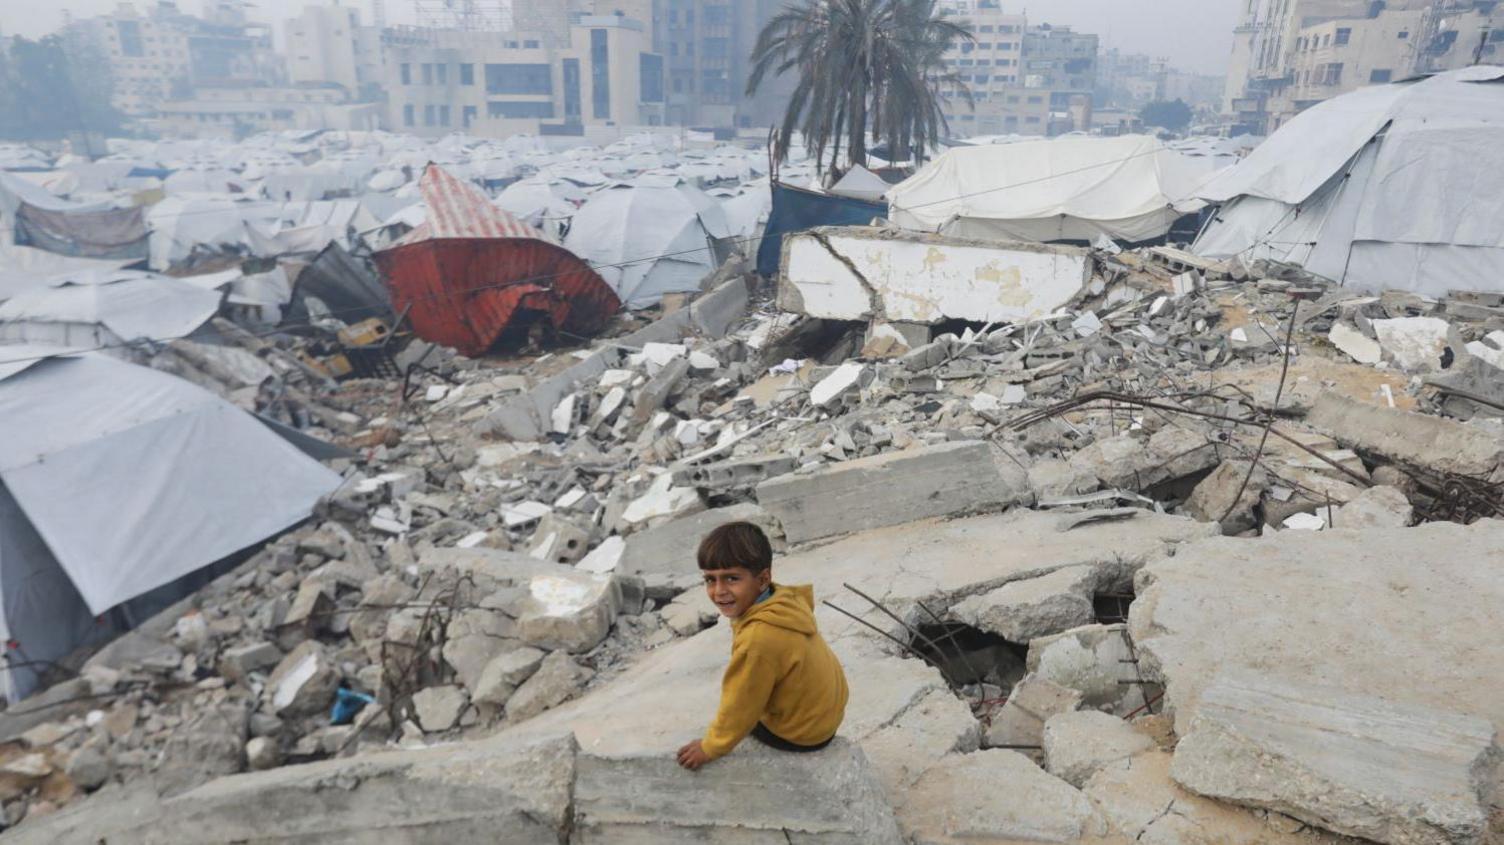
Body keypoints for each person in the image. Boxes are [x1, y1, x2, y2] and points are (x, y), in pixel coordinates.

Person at [676, 522, 848, 770]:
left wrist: (710, 746)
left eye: (732, 578)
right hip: (826, 719)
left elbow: (740, 705)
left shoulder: (757, 640)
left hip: (801, 734)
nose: (719, 591)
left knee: (741, 697)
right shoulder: (784, 600)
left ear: (763, 579)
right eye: (710, 580)